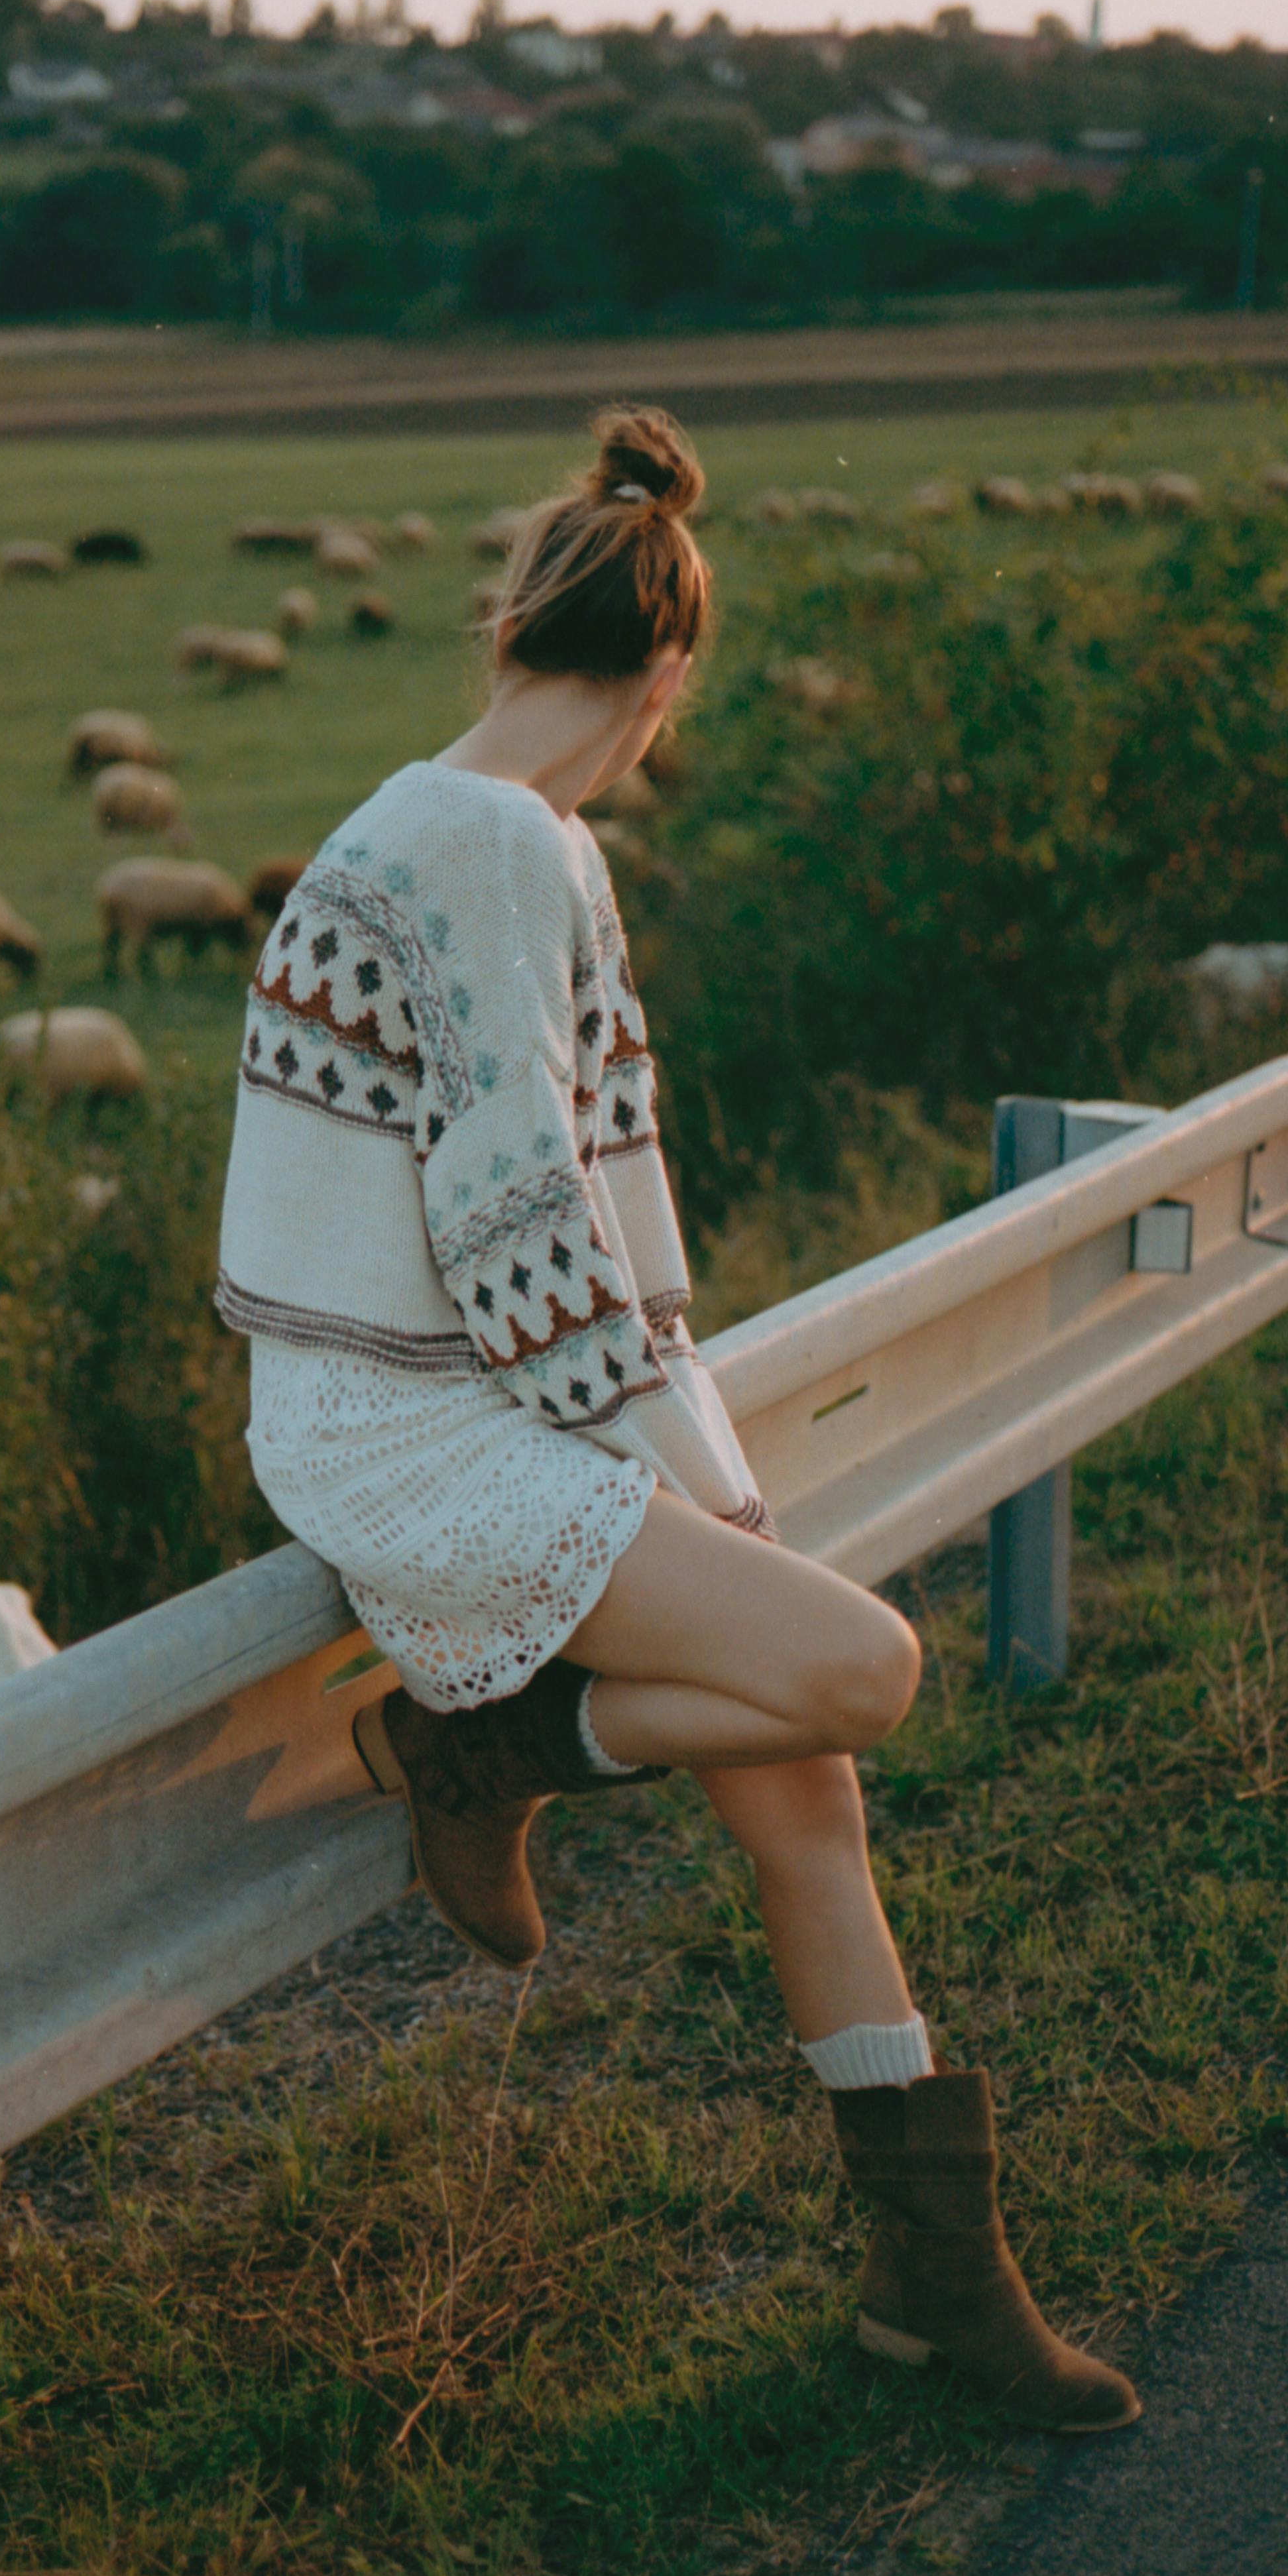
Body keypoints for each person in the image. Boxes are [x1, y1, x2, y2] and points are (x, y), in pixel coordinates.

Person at [215, 408, 1138, 2435]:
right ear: (663, 677)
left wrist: (711, 1488)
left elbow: (602, 1240)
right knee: (864, 1669)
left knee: (807, 1781)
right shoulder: (491, 847)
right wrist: (707, 1502)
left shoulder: (463, 827)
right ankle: (476, 1741)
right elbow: (529, 1232)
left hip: (462, 1401)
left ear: (513, 631)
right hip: (414, 1429)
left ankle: (936, 2285)